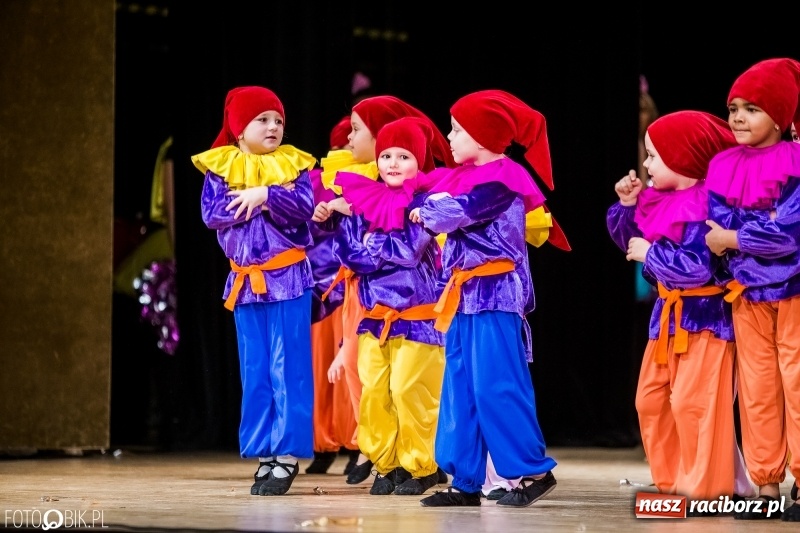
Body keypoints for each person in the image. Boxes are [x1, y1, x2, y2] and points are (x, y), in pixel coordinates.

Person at [411, 90, 560, 508]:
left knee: (498, 384)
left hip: (495, 294)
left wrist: (430, 209)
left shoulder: (501, 179)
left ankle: (533, 470)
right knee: (460, 385)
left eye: (458, 129)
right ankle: (465, 480)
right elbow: (431, 203)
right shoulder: (466, 177)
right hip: (463, 295)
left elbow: (456, 212)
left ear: (483, 135)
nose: (450, 136)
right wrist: (429, 205)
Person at [315, 95, 454, 486]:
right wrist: (355, 236)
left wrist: (368, 248)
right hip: (374, 318)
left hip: (416, 317)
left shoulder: (427, 203)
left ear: (420, 161)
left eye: (404, 156)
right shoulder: (364, 200)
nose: (393, 164)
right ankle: (387, 462)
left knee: (411, 390)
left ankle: (421, 465)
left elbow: (407, 251)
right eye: (387, 155)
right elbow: (348, 253)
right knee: (376, 392)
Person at [606, 111, 740, 508]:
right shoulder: (661, 199)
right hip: (666, 320)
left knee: (692, 405)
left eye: (653, 156)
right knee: (650, 400)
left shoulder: (708, 207)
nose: (645, 165)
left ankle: (704, 490)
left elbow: (699, 266)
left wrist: (652, 255)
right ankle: (671, 484)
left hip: (705, 320)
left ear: (683, 158)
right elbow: (629, 242)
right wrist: (628, 206)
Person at [192, 86, 316, 496]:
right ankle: (265, 451)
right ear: (239, 128)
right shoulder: (222, 167)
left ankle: (288, 452)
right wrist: (249, 197)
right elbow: (212, 214)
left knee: (289, 367)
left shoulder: (292, 166)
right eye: (262, 119)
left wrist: (266, 195)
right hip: (247, 285)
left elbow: (304, 208)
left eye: (278, 120)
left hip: (288, 280)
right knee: (257, 369)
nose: (273, 126)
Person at [704, 57, 800, 522]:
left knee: (797, 382)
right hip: (747, 292)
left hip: (794, 289)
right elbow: (714, 225)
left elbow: (789, 232)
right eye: (734, 107)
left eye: (753, 108)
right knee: (759, 387)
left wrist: (738, 238)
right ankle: (765, 484)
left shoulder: (796, 162)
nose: (738, 117)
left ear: (780, 116)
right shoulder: (722, 166)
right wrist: (747, 232)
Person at [304, 116, 359, 475]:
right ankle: (322, 444)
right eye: (347, 140)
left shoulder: (372, 181)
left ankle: (359, 444)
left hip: (356, 286)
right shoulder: (313, 180)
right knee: (321, 372)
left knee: (353, 371)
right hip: (321, 288)